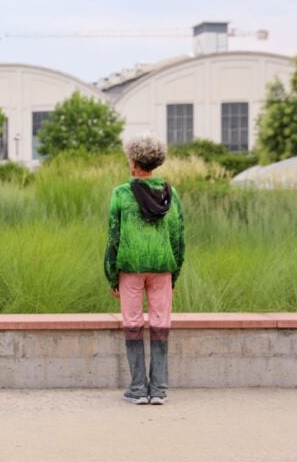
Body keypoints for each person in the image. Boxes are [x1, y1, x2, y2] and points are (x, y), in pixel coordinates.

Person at [104, 134, 185, 405]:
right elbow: (178, 237)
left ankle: (138, 389)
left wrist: (111, 274)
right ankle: (159, 389)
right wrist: (174, 273)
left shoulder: (121, 194)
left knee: (133, 324)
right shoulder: (171, 194)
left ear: (134, 162)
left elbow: (114, 236)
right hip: (162, 268)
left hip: (130, 268)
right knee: (161, 324)